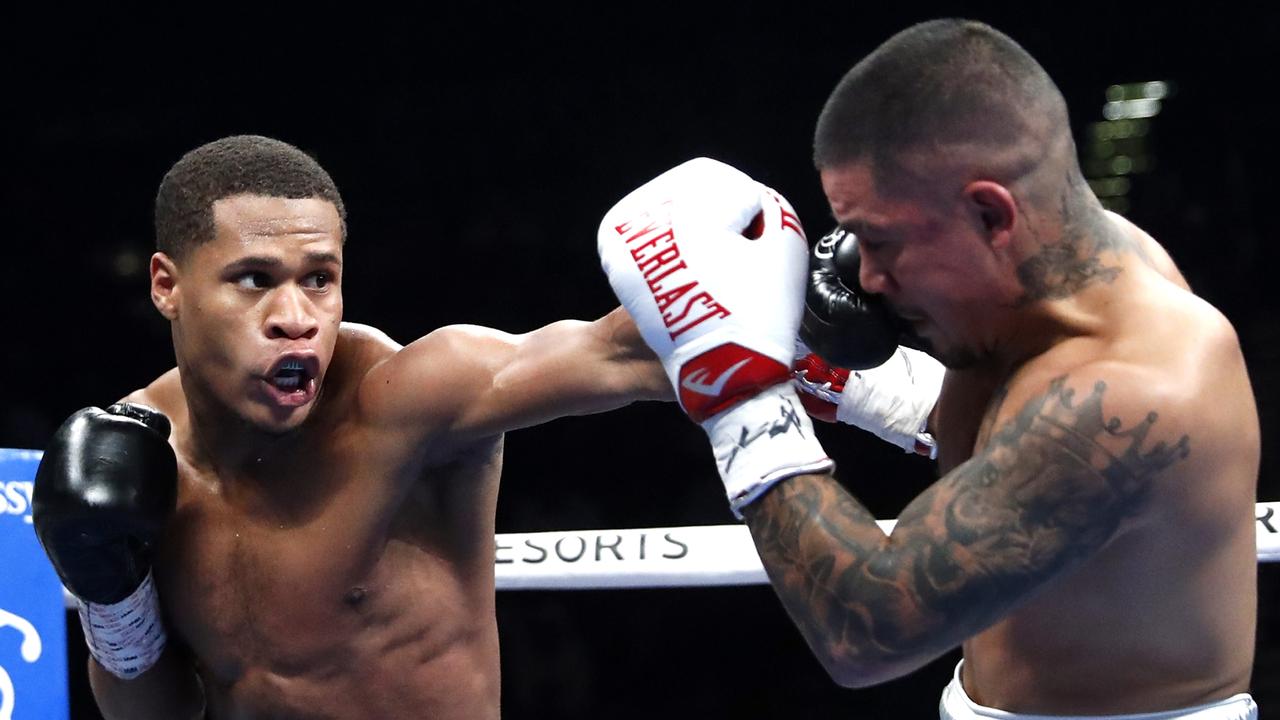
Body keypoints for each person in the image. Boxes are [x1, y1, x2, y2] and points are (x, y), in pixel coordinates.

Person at [597, 19, 1260, 720]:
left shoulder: (1136, 388)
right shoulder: (1059, 285)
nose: (868, 276)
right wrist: (851, 384)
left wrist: (740, 392)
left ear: (989, 214)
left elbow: (866, 632)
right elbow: (1029, 432)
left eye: (881, 241)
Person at [32, 134, 671, 719]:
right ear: (167, 285)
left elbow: (623, 355)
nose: (295, 317)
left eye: (319, 279)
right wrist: (112, 602)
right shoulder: (141, 461)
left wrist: (718, 292)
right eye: (254, 279)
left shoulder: (407, 401)